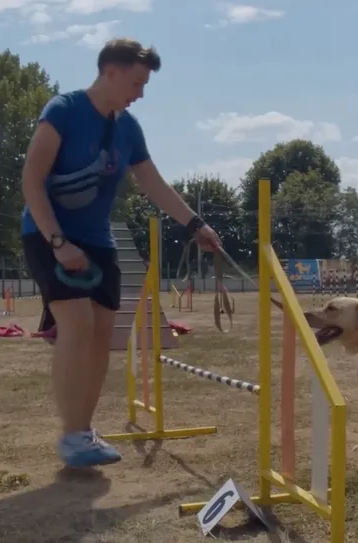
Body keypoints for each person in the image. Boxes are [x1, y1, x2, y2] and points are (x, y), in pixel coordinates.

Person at [20, 38, 221, 467]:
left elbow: (153, 184)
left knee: (101, 335)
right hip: (49, 233)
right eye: (137, 82)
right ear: (110, 71)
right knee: (76, 324)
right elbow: (31, 180)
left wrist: (195, 224)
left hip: (98, 240)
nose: (141, 93)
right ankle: (72, 435)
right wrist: (58, 244)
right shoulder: (64, 110)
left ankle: (83, 431)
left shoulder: (128, 127)